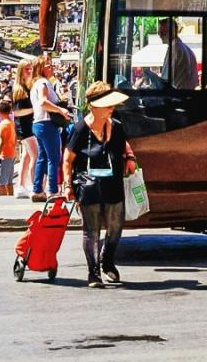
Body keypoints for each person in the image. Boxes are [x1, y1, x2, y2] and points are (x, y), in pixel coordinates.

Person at [63, 82, 137, 288]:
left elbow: (125, 145)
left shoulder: (117, 126)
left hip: (113, 182)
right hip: (88, 184)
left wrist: (130, 158)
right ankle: (93, 273)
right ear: (94, 106)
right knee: (91, 230)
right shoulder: (80, 129)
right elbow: (68, 159)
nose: (112, 108)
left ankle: (108, 261)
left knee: (116, 226)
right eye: (107, 104)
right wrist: (68, 186)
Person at [30, 58, 73, 202]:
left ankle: (37, 190)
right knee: (54, 158)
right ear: (42, 68)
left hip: (38, 124)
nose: (52, 67)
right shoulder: (43, 83)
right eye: (49, 65)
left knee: (42, 158)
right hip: (47, 124)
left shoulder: (35, 84)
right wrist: (60, 109)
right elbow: (43, 102)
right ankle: (52, 190)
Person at [10, 63, 36, 198]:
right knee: (35, 156)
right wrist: (35, 109)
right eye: (26, 69)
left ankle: (21, 185)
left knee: (26, 156)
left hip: (29, 126)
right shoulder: (18, 89)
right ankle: (34, 185)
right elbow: (17, 112)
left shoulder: (28, 86)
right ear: (20, 71)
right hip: (25, 128)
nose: (29, 71)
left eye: (31, 68)